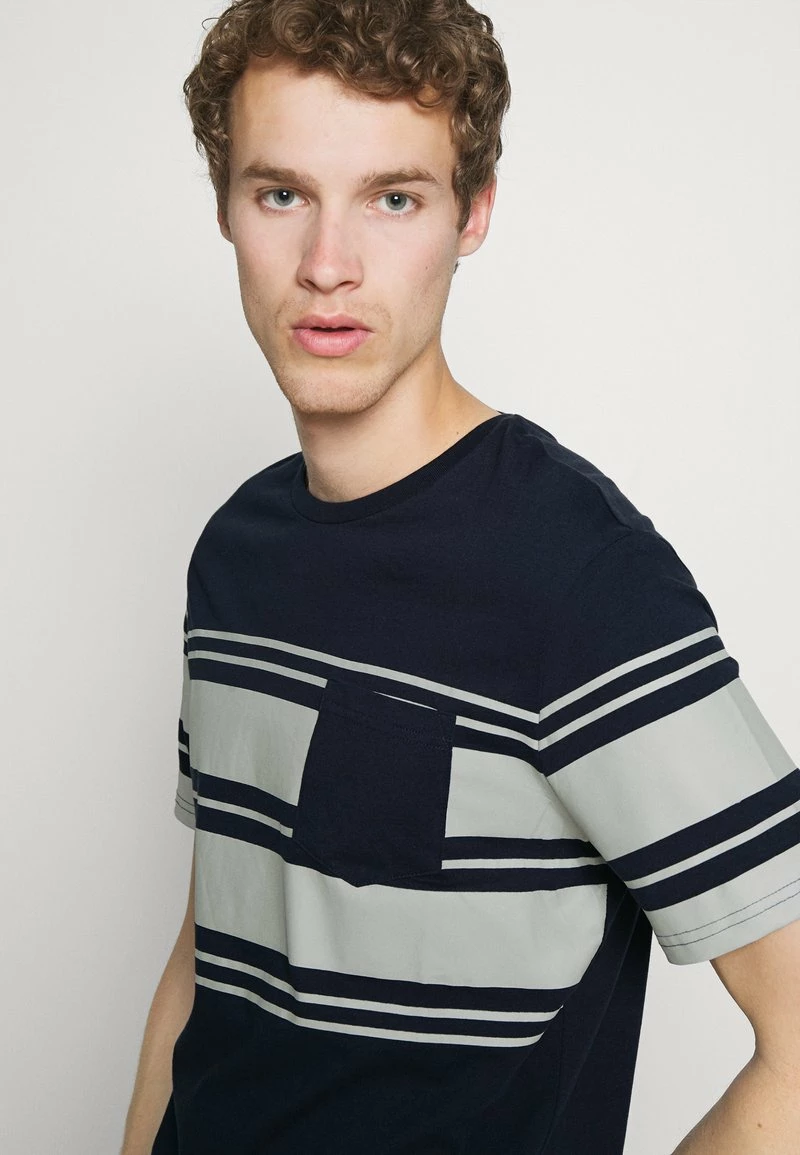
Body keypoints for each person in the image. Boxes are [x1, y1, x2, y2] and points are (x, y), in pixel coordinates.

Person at [121, 2, 800, 1152]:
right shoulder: (234, 553)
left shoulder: (578, 578)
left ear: (471, 212)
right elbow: (209, 958)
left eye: (392, 199)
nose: (326, 265)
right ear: (225, 207)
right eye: (281, 194)